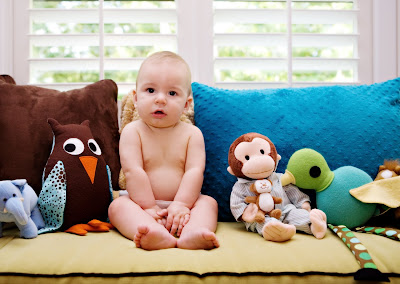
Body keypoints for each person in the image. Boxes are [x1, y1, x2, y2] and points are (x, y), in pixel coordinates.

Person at [108, 51, 219, 250]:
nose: (160, 99)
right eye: (150, 90)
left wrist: (182, 204)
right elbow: (134, 171)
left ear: (186, 105)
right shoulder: (133, 132)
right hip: (141, 205)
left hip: (185, 204)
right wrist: (148, 207)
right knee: (117, 206)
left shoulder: (192, 134)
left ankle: (192, 233)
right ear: (135, 98)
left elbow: (194, 171)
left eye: (172, 93)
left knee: (209, 203)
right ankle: (153, 232)